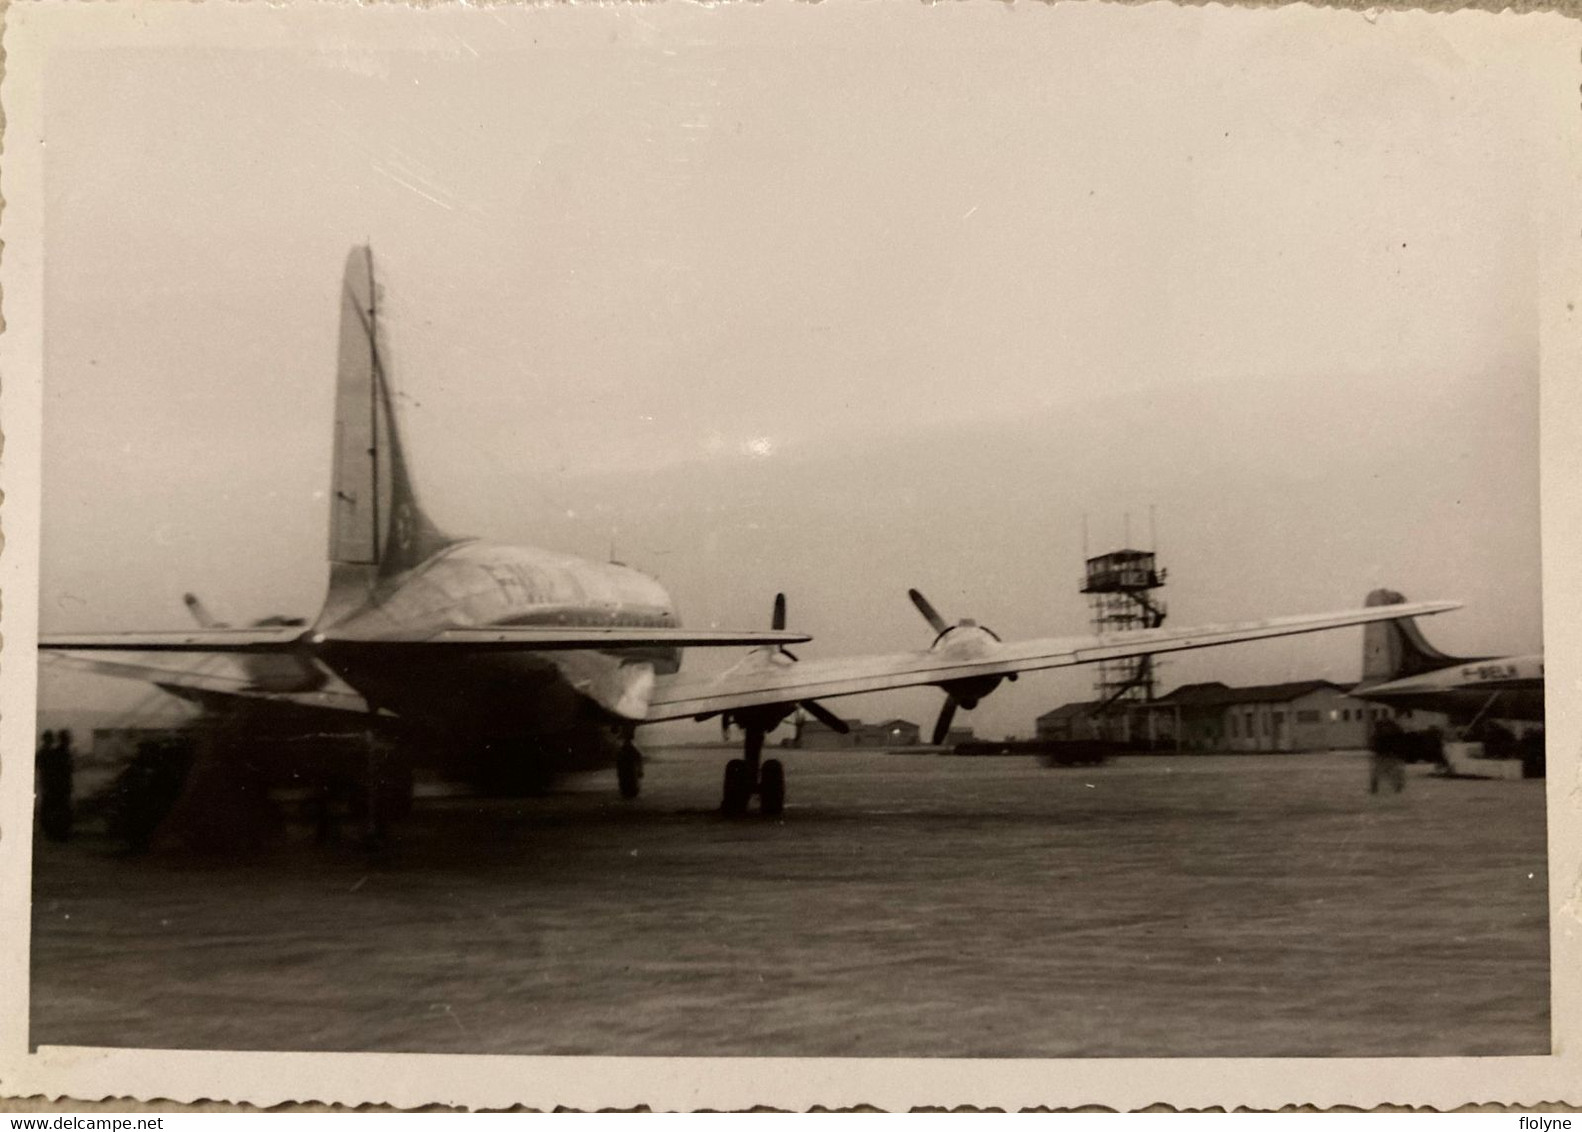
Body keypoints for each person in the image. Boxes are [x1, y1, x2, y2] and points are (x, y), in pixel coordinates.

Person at [36, 728, 75, 840]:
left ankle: (54, 830)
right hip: (57, 785)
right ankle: (56, 831)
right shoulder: (58, 753)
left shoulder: (52, 752)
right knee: (57, 808)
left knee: (53, 807)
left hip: (53, 785)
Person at [1369, 718, 1407, 795]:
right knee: (1394, 771)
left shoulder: (1378, 734)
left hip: (1384, 755)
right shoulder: (1395, 732)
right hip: (1391, 755)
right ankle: (1398, 786)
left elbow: (1374, 745)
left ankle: (1375, 787)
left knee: (1378, 772)